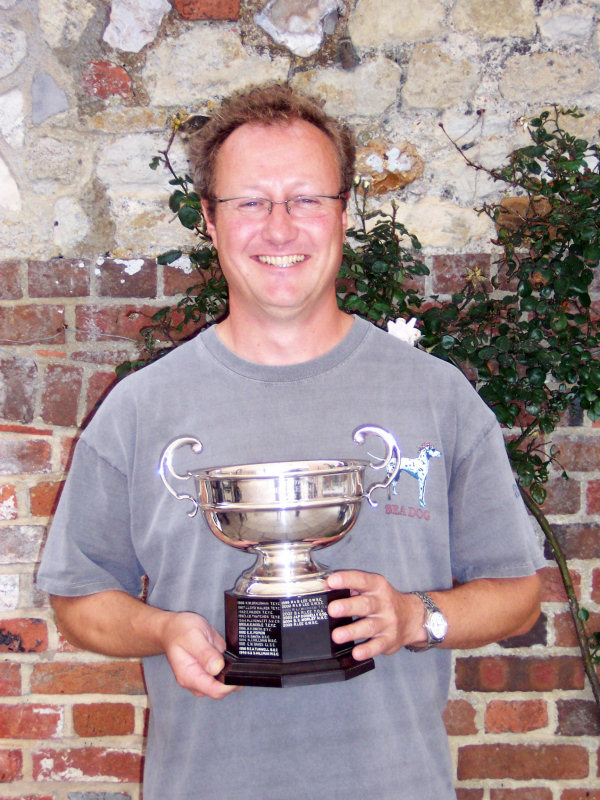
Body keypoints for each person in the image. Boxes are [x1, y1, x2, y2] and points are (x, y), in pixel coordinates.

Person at [38, 84, 543, 800]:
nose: (279, 229)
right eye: (250, 202)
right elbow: (80, 594)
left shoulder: (436, 396)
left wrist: (414, 617)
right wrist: (161, 631)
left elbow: (518, 595)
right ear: (210, 222)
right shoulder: (140, 408)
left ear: (344, 214)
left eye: (306, 198)